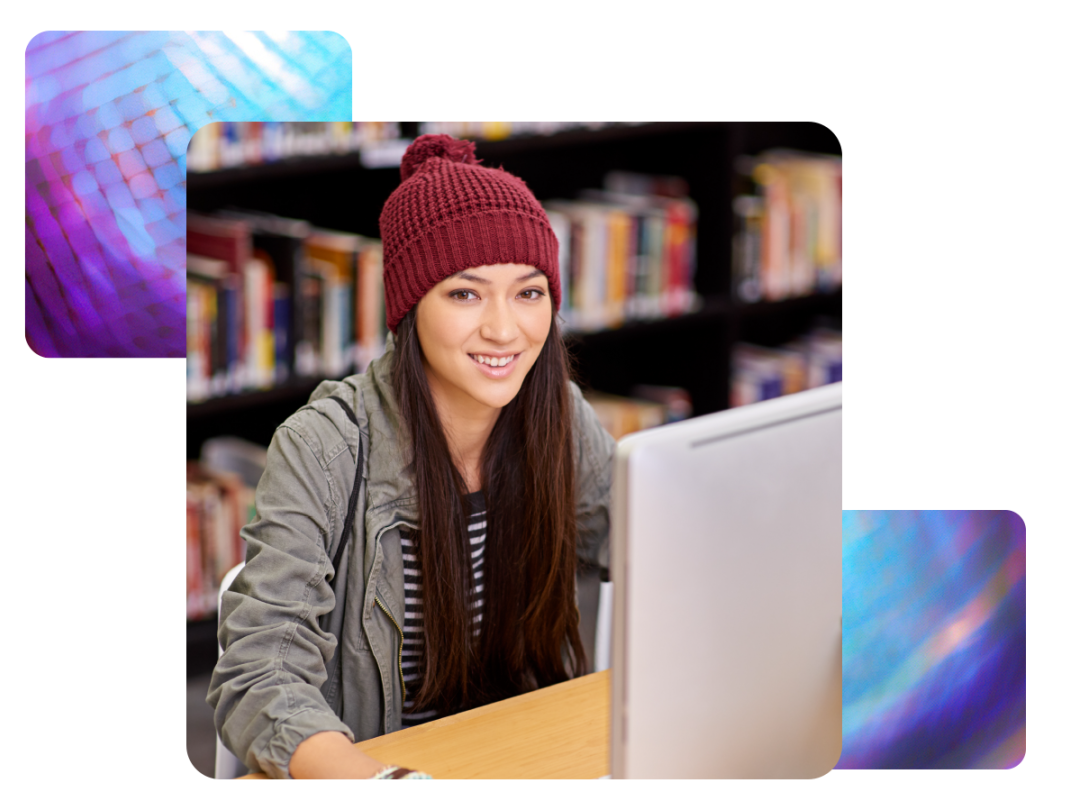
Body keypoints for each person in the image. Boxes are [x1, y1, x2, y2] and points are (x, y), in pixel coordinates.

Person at [206, 134, 616, 779]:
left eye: (529, 293)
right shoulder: (324, 445)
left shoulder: (558, 417)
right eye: (465, 293)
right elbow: (261, 670)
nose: (505, 330)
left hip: (522, 749)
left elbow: (655, 551)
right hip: (383, 762)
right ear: (409, 308)